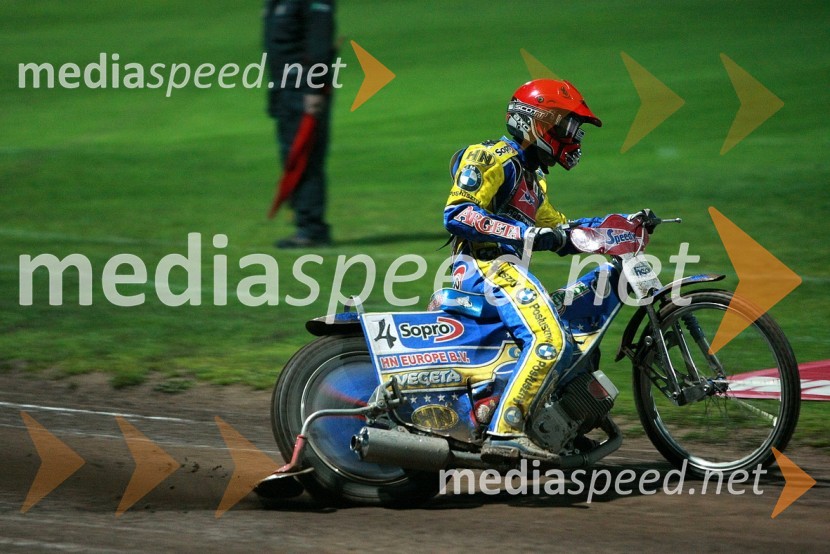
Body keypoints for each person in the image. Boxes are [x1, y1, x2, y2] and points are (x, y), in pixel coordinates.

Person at [443, 78, 606, 461]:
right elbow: (458, 213)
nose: (573, 137)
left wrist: (618, 228)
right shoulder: (489, 156)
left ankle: (560, 425)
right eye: (566, 126)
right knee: (550, 340)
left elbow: (563, 230)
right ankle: (506, 431)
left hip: (506, 272)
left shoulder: (534, 182)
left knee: (577, 332)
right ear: (536, 122)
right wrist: (524, 233)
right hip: (484, 266)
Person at [264, 0, 335, 248]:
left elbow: (319, 41)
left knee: (306, 156)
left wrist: (314, 88)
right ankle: (303, 219)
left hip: (303, 90)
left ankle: (311, 227)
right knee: (291, 155)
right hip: (284, 88)